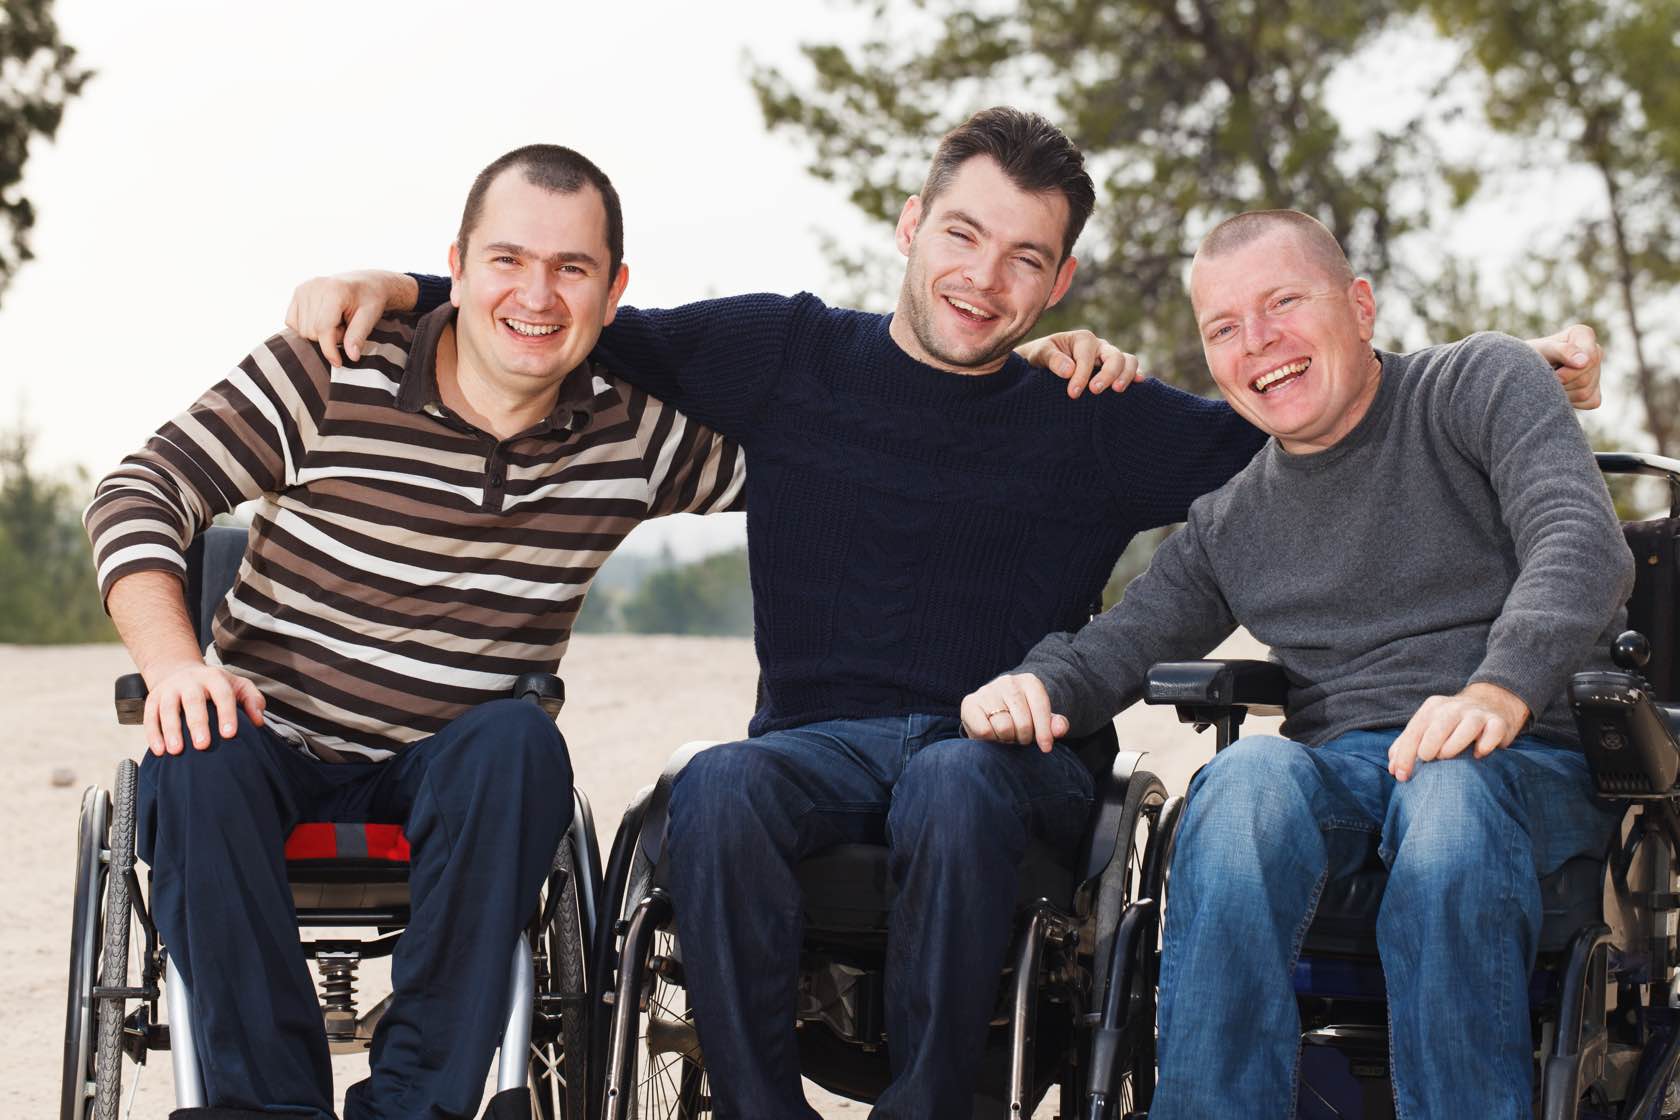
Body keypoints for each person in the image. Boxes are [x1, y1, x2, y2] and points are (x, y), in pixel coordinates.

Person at [289, 110, 1604, 1119]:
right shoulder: (790, 355)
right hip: (830, 744)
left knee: (964, 786)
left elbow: (1336, 424)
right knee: (723, 791)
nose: (985, 277)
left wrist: (1513, 382)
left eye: (1025, 258)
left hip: (1050, 762)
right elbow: (566, 317)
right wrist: (407, 290)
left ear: (1062, 285)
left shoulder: (1111, 422)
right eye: (965, 235)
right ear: (914, 223)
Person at [85, 145, 748, 1120]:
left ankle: (412, 1107)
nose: (537, 293)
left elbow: (824, 466)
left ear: (615, 292)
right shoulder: (330, 368)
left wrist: (994, 379)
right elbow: (142, 488)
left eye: (572, 269)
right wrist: (175, 664)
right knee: (194, 749)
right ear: (457, 264)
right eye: (508, 261)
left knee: (522, 743)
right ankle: (266, 1107)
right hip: (273, 735)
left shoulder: (634, 433)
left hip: (457, 764)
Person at [960, 209, 1633, 1119]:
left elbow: (1579, 539)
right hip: (1350, 773)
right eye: (1225, 328)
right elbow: (1128, 636)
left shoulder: (1476, 383)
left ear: (1360, 306)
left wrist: (1498, 687)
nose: (1259, 343)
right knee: (1242, 778)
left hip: (1526, 758)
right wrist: (1036, 686)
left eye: (1283, 302)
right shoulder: (1233, 519)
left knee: (1447, 790)